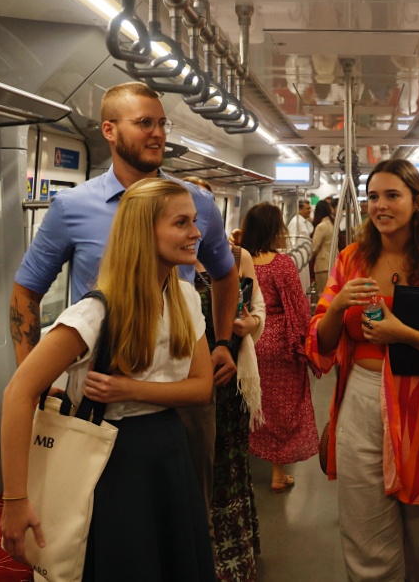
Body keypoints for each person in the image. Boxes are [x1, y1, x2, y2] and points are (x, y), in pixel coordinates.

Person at [10, 82, 239, 511]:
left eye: (162, 124)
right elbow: (26, 291)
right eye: (145, 123)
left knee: (189, 506)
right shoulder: (72, 207)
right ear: (110, 130)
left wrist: (223, 341)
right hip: (102, 390)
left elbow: (226, 273)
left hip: (180, 384)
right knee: (103, 511)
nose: (158, 134)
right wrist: (39, 380)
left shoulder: (197, 203)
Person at [0, 178, 216, 580]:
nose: (196, 233)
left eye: (193, 221)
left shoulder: (184, 298)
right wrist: (15, 500)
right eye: (181, 223)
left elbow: (202, 387)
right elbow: (19, 392)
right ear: (144, 232)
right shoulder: (95, 314)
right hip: (116, 461)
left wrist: (130, 388)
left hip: (170, 451)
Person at [307, 158, 419, 580]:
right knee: (365, 539)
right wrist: (337, 306)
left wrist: (403, 334)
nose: (380, 206)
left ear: (418, 202)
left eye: (392, 195)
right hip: (360, 404)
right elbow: (319, 341)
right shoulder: (351, 260)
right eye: (373, 197)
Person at [185, 177, 264, 582]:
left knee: (228, 467)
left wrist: (246, 325)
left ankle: (234, 558)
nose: (194, 225)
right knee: (192, 471)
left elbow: (258, 311)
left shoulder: (235, 257)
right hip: (185, 384)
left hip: (229, 378)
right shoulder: (173, 260)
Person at [242, 202, 318, 492]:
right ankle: (277, 473)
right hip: (279, 341)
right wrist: (307, 344)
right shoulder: (282, 264)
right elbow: (297, 306)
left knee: (256, 403)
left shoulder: (240, 261)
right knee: (283, 406)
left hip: (250, 341)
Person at [287, 199, 314, 293]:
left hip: (303, 259)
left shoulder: (303, 221)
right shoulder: (296, 222)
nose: (309, 211)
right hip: (298, 261)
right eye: (307, 208)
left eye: (310, 208)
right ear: (300, 209)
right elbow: (291, 243)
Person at [312, 198, 335, 289]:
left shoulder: (321, 226)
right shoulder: (331, 224)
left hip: (323, 266)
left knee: (322, 293)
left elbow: (314, 248)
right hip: (332, 263)